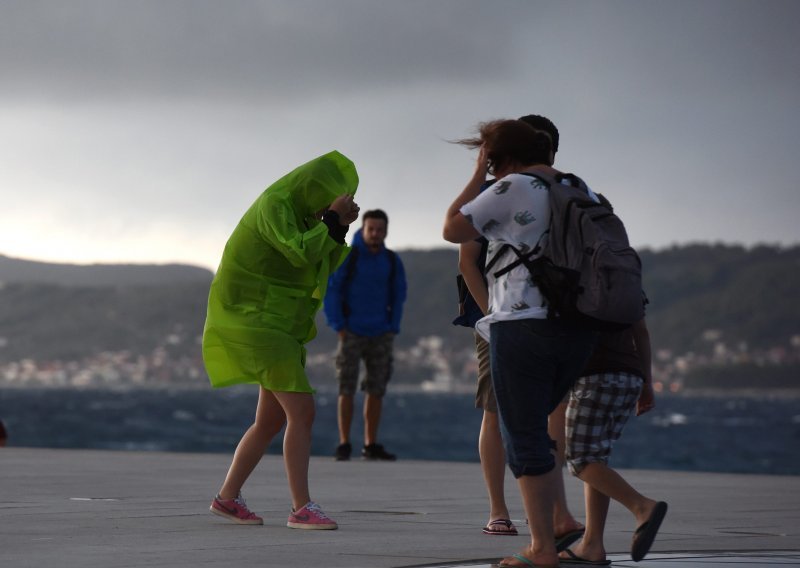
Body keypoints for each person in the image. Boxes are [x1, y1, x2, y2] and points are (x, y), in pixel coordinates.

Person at [443, 119, 597, 568]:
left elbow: (454, 228)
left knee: (523, 435)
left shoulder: (512, 186)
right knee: (545, 426)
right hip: (576, 325)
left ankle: (541, 548)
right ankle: (559, 522)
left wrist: (477, 173)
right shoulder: (575, 186)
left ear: (501, 158)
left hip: (522, 322)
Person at [202, 150, 360, 530]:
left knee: (269, 421)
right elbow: (298, 252)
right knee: (302, 411)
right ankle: (301, 507)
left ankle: (227, 498)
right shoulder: (276, 204)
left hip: (274, 324)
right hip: (255, 322)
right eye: (326, 198)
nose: (326, 206)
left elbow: (322, 261)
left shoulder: (303, 215)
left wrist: (336, 227)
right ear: (314, 187)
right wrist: (334, 221)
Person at [560, 318, 668, 565]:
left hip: (594, 374)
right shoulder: (627, 279)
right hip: (629, 375)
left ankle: (642, 507)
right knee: (596, 458)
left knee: (580, 460)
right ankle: (592, 545)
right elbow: (641, 331)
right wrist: (647, 383)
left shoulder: (578, 278)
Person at [324, 209, 407, 461]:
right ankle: (344, 443)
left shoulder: (392, 261)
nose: (375, 234)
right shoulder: (348, 257)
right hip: (350, 331)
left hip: (381, 333)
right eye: (371, 229)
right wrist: (339, 325)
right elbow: (332, 291)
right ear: (363, 228)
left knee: (376, 389)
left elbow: (399, 295)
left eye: (380, 230)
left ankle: (370, 445)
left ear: (386, 231)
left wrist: (392, 327)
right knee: (345, 388)